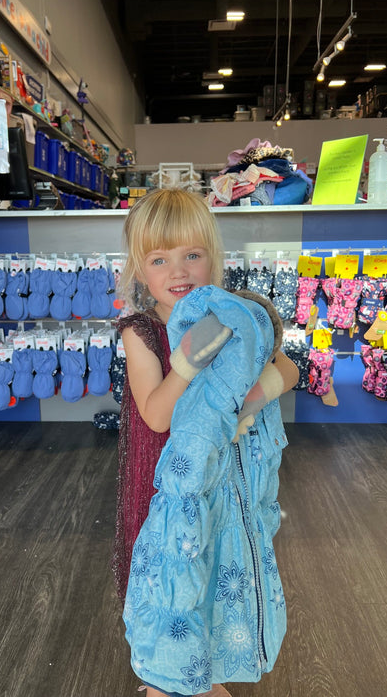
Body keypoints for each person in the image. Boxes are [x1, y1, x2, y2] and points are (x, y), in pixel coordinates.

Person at [115, 188, 298, 697]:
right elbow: (156, 415)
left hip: (221, 485)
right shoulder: (141, 331)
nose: (179, 271)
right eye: (160, 259)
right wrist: (189, 360)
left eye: (192, 255)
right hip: (164, 487)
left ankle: (203, 670)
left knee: (213, 572)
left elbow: (288, 367)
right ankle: (163, 679)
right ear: (139, 269)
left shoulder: (232, 313)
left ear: (213, 257)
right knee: (169, 581)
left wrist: (246, 402)